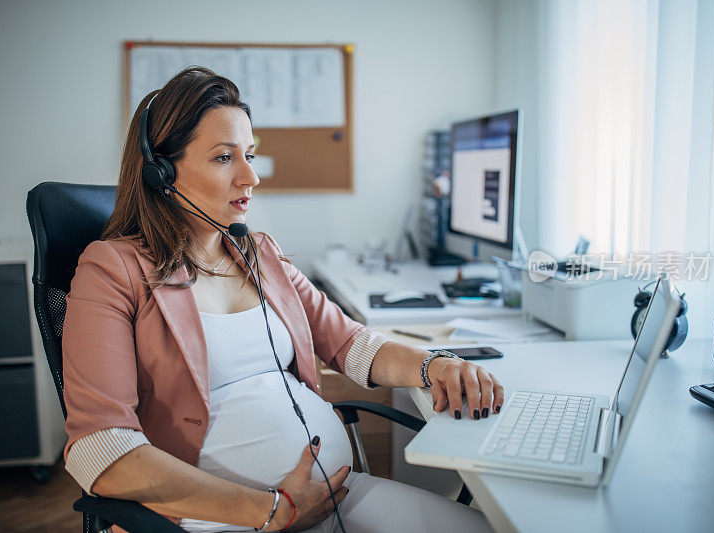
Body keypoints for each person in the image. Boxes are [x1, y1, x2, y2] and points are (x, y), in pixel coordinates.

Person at [62, 66, 504, 532]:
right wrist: (271, 510)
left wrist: (433, 364)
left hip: (333, 495)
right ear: (161, 172)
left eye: (249, 155)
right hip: (214, 520)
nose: (250, 176)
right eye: (223, 158)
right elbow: (101, 451)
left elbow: (350, 344)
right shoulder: (113, 268)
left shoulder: (260, 253)